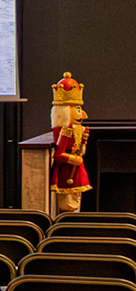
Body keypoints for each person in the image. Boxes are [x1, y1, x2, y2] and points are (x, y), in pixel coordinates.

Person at [51, 72, 90, 214]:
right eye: (77, 109)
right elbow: (58, 154)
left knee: (77, 199)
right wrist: (74, 159)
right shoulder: (66, 131)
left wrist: (84, 142)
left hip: (77, 169)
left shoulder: (78, 128)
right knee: (68, 203)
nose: (82, 114)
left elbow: (80, 148)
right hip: (67, 171)